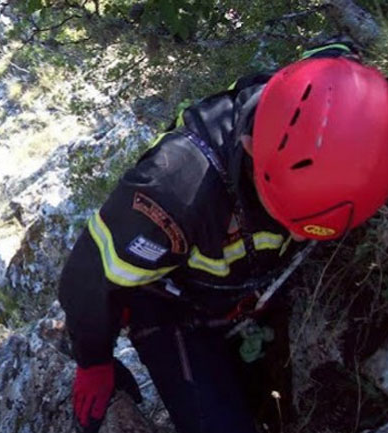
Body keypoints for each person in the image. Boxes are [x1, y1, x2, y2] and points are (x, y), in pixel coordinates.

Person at [58, 40, 388, 433]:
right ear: (250, 148)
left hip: (254, 291)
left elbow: (335, 64)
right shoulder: (173, 189)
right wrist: (94, 358)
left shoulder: (324, 92)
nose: (297, 237)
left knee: (272, 411)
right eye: (286, 218)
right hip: (173, 308)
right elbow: (90, 276)